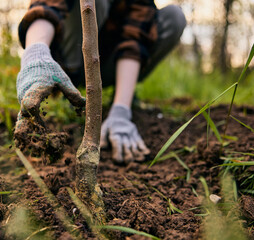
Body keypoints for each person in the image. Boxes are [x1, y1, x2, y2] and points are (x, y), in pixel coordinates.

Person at [14, 0, 186, 163]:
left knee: (174, 16)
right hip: (68, 57)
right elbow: (48, 4)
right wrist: (35, 53)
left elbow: (134, 38)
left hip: (108, 62)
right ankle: (64, 78)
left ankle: (123, 94)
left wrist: (121, 110)